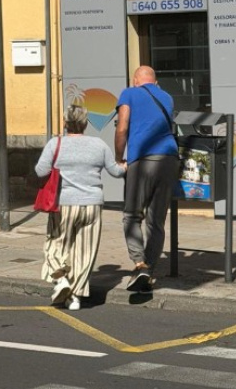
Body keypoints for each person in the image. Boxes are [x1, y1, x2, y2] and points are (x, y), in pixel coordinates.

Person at [35, 105, 126, 310]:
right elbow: (116, 172)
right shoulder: (98, 144)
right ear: (85, 123)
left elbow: (40, 171)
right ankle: (75, 297)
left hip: (64, 203)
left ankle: (61, 279)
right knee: (85, 251)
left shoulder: (55, 144)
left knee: (56, 243)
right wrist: (124, 166)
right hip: (92, 205)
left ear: (66, 123)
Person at [115, 65, 179, 292]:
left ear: (135, 80)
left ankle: (139, 262)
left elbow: (122, 128)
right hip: (169, 159)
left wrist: (119, 157)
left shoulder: (129, 93)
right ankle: (149, 268)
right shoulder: (167, 97)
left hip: (142, 159)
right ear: (156, 82)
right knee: (156, 219)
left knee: (132, 214)